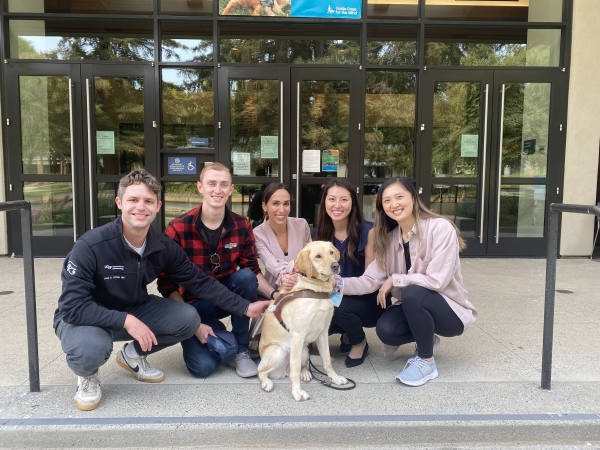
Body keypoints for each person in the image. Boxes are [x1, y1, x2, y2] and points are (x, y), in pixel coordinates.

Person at [54, 169, 269, 411]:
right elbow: (71, 307)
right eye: (133, 200)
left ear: (158, 206)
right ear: (119, 203)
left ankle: (131, 355)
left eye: (148, 201)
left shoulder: (162, 246)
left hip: (133, 307)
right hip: (86, 316)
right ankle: (88, 375)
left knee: (188, 318)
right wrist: (126, 321)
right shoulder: (90, 245)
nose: (140, 207)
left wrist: (245, 307)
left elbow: (200, 282)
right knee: (90, 350)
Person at [342, 177, 477, 386]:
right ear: (381, 207)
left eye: (399, 197)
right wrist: (335, 284)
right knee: (386, 330)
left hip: (450, 312)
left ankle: (426, 361)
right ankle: (427, 338)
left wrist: (395, 279)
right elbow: (369, 281)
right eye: (386, 200)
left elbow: (437, 281)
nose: (393, 204)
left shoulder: (440, 228)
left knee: (413, 291)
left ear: (413, 198)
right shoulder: (388, 239)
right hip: (416, 307)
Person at [157, 163, 275, 379]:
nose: (217, 190)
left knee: (245, 277)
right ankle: (216, 331)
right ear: (200, 187)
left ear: (231, 189)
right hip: (194, 305)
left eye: (223, 185)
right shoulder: (178, 228)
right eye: (211, 184)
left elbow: (252, 269)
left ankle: (240, 347)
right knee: (202, 368)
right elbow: (166, 285)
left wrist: (275, 295)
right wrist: (192, 323)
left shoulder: (242, 226)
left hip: (228, 300)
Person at [312, 178, 380, 368]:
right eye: (332, 199)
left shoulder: (369, 231)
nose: (337, 205)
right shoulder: (317, 235)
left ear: (353, 203)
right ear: (324, 202)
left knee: (338, 306)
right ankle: (346, 331)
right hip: (331, 298)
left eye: (344, 199)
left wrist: (337, 286)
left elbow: (370, 281)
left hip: (366, 301)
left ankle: (359, 341)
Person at [253, 183, 311, 292]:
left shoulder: (302, 225)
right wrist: (299, 266)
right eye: (276, 203)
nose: (282, 210)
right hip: (276, 292)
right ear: (264, 206)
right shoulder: (258, 233)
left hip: (304, 290)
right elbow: (273, 266)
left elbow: (312, 258)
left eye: (286, 204)